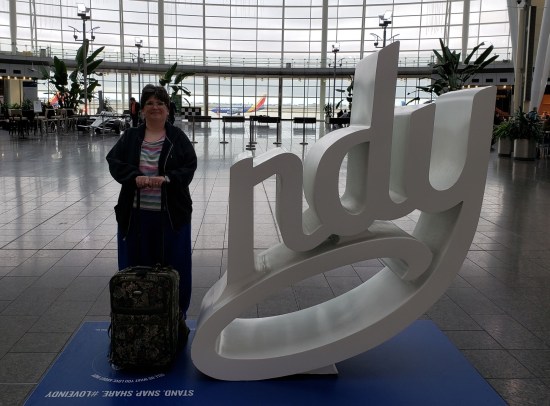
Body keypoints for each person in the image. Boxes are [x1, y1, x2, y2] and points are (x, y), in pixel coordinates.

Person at [106, 84, 197, 345]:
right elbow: (115, 162)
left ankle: (176, 318)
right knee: (135, 267)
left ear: (168, 109)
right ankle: (135, 319)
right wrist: (135, 178)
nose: (155, 107)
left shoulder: (177, 138)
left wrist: (166, 179)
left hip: (171, 216)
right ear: (142, 109)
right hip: (135, 215)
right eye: (150, 103)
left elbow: (189, 166)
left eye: (160, 103)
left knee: (176, 266)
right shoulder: (131, 137)